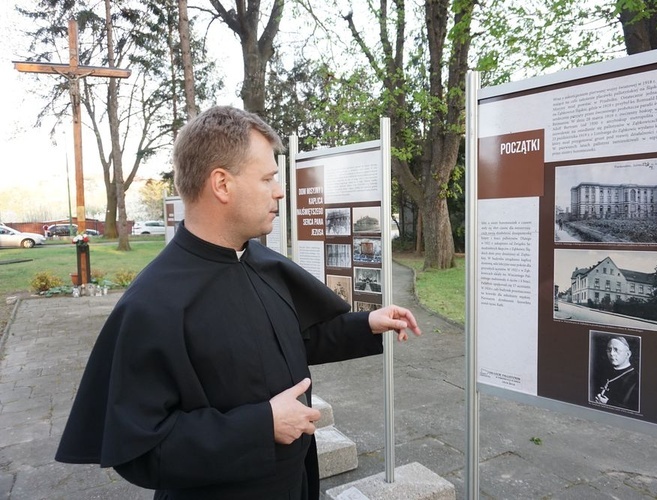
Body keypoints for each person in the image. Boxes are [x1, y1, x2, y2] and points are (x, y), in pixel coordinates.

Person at [55, 105, 421, 499]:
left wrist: (366, 324)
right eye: (267, 178)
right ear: (222, 185)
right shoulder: (154, 304)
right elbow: (141, 451)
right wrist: (261, 426)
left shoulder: (263, 263)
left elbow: (288, 343)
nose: (279, 191)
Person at [594, 336, 639, 411]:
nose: (611, 354)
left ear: (628, 354)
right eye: (609, 349)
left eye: (616, 350)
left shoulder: (636, 379)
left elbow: (635, 411)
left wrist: (608, 403)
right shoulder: (602, 372)